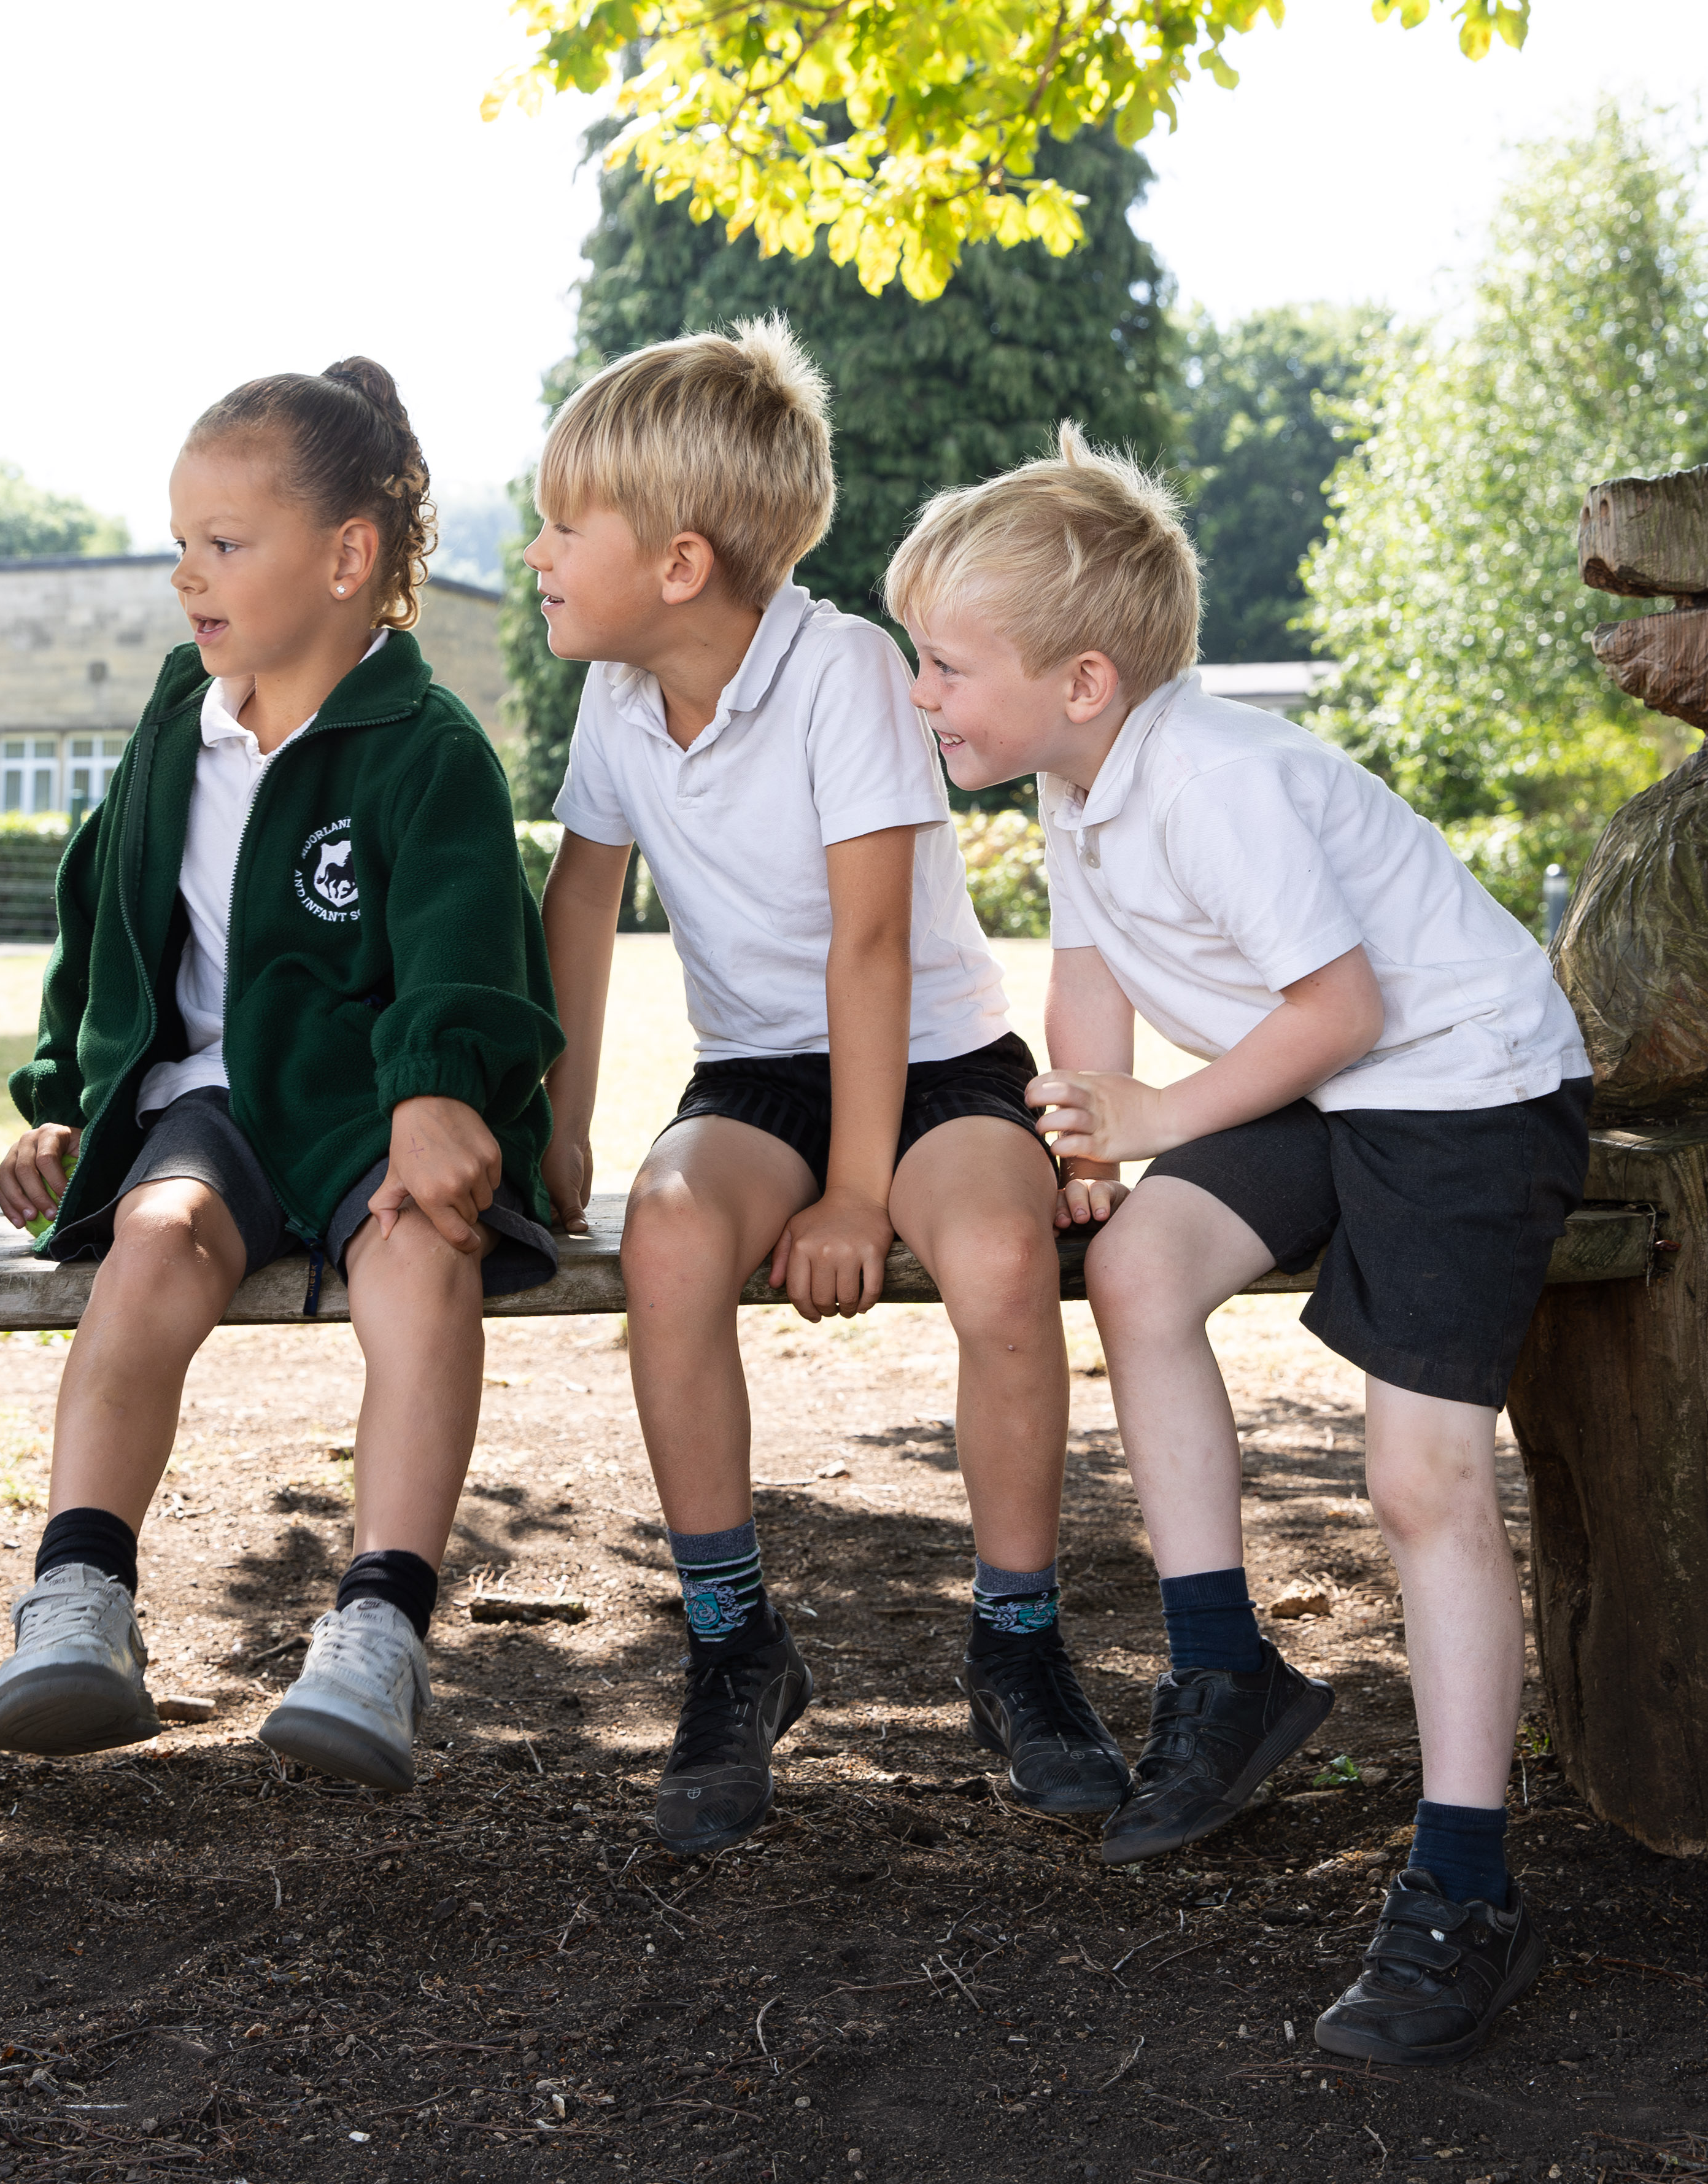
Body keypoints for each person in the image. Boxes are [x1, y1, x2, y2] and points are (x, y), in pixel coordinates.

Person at [883, 424, 1592, 2067]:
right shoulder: (1081, 778)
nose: (924, 694)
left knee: (1416, 1478)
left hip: (1465, 1087)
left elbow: (1341, 1005)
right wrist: (1084, 1130)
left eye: (944, 665)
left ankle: (1467, 1877)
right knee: (1135, 1272)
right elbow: (1090, 975)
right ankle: (1225, 1672)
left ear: (1082, 675)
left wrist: (1154, 1117)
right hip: (1335, 1081)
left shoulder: (1210, 777)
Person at [525, 319, 1113, 1859]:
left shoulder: (843, 666)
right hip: (756, 1071)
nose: (533, 551)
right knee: (664, 1235)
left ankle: (1017, 1638)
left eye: (562, 524)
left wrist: (861, 1191)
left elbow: (868, 945)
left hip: (929, 1057)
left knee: (992, 1253)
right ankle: (733, 1641)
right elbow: (581, 906)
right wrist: (566, 1118)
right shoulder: (614, 698)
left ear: (677, 562)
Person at [0, 358, 559, 1792]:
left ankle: (378, 1625)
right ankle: (79, 1595)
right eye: (181, 542)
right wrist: (62, 1090)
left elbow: (464, 944)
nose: (188, 575)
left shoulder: (426, 751)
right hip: (215, 1108)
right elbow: (102, 909)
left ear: (348, 558)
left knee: (423, 1247)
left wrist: (436, 1087)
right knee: (155, 1231)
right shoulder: (182, 719)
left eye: (223, 545)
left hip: (374, 1105)